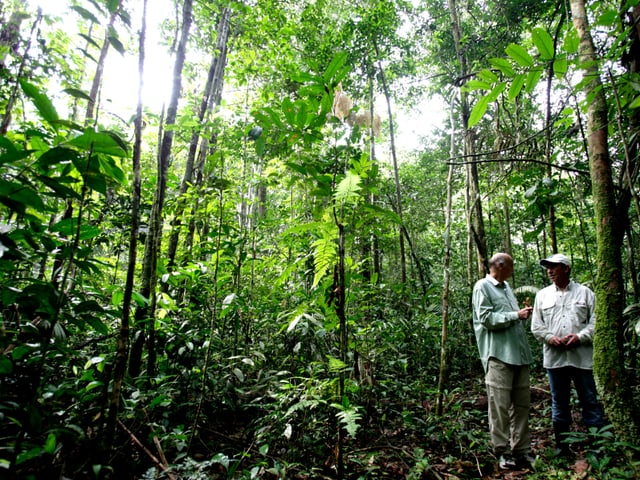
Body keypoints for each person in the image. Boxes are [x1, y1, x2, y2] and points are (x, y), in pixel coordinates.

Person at [531, 253, 606, 458]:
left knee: (589, 401)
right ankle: (563, 449)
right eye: (548, 267)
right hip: (555, 360)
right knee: (559, 403)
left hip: (582, 358)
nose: (549, 271)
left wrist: (580, 336)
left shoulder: (585, 293)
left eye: (554, 267)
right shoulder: (543, 295)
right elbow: (536, 326)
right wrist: (550, 338)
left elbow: (597, 322)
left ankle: (597, 448)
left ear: (565, 268)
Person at [472, 253, 536, 469]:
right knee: (499, 406)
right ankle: (503, 451)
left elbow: (512, 316)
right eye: (511, 266)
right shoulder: (482, 286)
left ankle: (522, 450)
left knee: (522, 405)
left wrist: (521, 314)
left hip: (519, 355)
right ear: (500, 265)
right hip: (498, 356)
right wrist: (514, 315)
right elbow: (486, 319)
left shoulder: (507, 287)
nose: (513, 270)